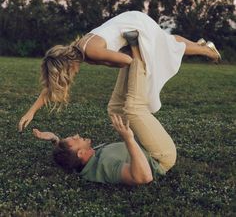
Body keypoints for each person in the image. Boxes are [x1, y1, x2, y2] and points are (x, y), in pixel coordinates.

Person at [18, 11, 221, 132]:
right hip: (131, 19)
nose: (71, 77)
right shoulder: (81, 45)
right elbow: (53, 86)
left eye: (68, 75)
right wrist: (31, 111)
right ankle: (201, 45)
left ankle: (206, 51)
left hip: (134, 28)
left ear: (68, 65)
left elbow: (127, 60)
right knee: (166, 43)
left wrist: (109, 63)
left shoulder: (92, 52)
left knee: (163, 52)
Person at [33, 41, 176, 185]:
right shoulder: (105, 166)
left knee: (114, 109)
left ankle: (129, 55)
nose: (77, 135)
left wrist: (55, 140)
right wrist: (129, 139)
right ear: (81, 153)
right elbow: (144, 177)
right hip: (159, 156)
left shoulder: (82, 161)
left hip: (144, 147)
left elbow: (69, 154)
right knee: (133, 108)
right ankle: (136, 50)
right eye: (75, 139)